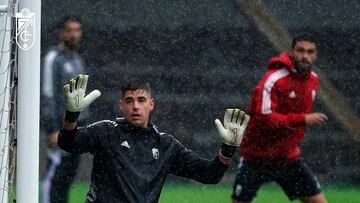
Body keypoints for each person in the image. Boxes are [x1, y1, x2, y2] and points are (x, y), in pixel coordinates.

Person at [58, 75, 250, 203]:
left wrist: (228, 148)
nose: (135, 106)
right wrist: (71, 116)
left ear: (151, 105)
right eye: (129, 101)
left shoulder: (165, 145)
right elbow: (68, 142)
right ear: (121, 106)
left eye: (141, 100)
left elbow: (209, 174)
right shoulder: (106, 131)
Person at [231, 34, 328, 203]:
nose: (305, 56)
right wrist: (303, 119)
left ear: (316, 54)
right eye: (301, 51)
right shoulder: (273, 79)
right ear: (291, 51)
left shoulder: (313, 80)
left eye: (310, 51)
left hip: (288, 158)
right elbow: (265, 119)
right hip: (256, 157)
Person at [41, 16, 87, 203]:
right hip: (59, 128)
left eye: (77, 30)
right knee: (55, 175)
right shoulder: (53, 59)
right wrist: (52, 128)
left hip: (75, 128)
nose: (73, 34)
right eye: (69, 30)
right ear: (60, 33)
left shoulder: (78, 60)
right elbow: (47, 94)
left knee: (67, 176)